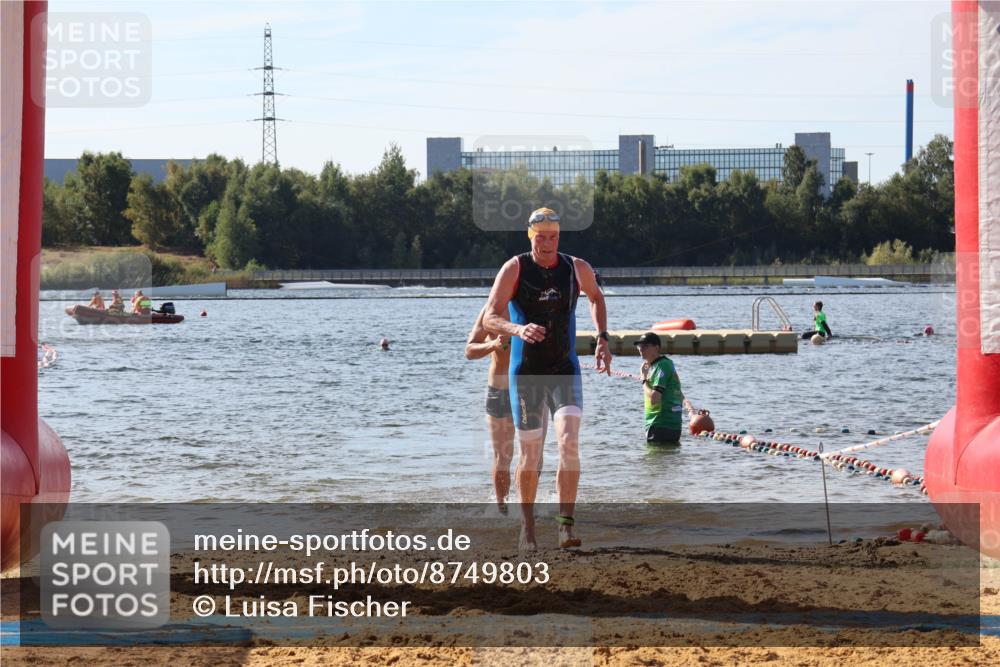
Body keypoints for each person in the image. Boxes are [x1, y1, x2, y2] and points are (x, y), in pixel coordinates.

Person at [483, 207, 612, 550]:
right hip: (527, 374)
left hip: (564, 370)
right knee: (530, 454)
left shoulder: (576, 267)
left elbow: (596, 298)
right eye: (541, 237)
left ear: (559, 237)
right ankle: (527, 528)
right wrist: (517, 328)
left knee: (569, 443)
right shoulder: (515, 268)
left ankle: (565, 526)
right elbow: (490, 318)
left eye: (553, 236)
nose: (548, 243)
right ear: (531, 237)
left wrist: (602, 338)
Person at [465, 305, 515, 514]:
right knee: (503, 455)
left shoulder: (534, 304)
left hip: (530, 387)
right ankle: (502, 508)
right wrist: (494, 344)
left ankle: (527, 507)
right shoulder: (491, 310)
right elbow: (469, 351)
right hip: (500, 389)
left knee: (534, 453)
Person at [635, 332, 684, 446]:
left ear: (656, 347)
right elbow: (679, 395)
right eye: (639, 346)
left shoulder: (662, 366)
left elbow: (654, 398)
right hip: (670, 426)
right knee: (665, 462)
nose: (641, 349)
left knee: (653, 463)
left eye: (645, 346)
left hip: (660, 425)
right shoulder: (662, 365)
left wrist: (643, 379)